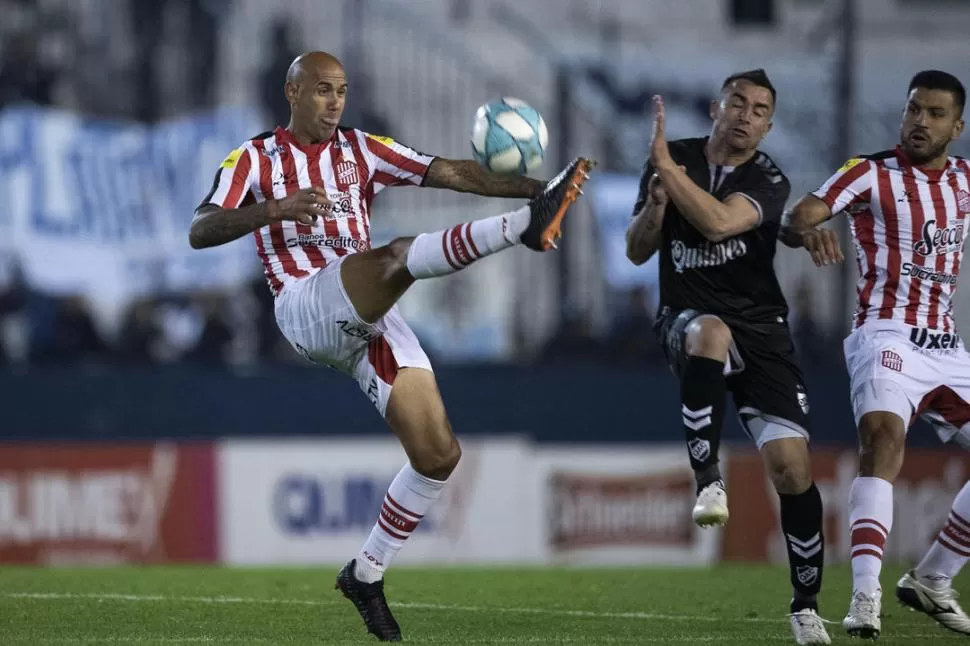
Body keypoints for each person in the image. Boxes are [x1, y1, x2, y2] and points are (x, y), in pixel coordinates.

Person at [189, 51, 593, 642]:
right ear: (292, 92)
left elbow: (453, 172)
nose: (335, 103)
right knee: (399, 255)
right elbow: (200, 228)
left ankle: (365, 572)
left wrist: (543, 187)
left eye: (343, 91)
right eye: (323, 90)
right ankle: (522, 229)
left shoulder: (362, 150)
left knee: (438, 456)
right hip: (304, 304)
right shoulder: (254, 157)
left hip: (367, 317)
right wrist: (273, 209)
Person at [626, 69, 830, 646]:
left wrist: (665, 170)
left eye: (760, 109)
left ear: (767, 125)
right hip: (686, 318)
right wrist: (655, 209)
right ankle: (708, 481)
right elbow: (637, 250)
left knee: (793, 470)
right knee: (710, 332)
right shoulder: (674, 157)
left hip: (763, 328)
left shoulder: (768, 178)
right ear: (716, 106)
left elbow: (718, 225)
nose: (745, 114)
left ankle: (806, 607)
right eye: (737, 101)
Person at [782, 69, 970, 639]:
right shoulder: (869, 172)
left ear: (956, 127)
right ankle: (866, 598)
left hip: (946, 344)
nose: (920, 121)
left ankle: (934, 578)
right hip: (885, 333)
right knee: (884, 440)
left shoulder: (965, 179)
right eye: (914, 109)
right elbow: (800, 215)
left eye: (935, 114)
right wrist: (807, 229)